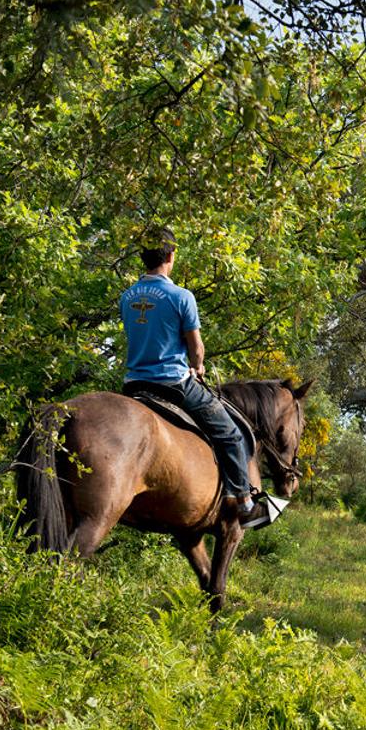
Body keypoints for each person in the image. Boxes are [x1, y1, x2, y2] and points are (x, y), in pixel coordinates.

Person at [119, 226, 267, 529]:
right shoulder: (180, 296)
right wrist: (197, 367)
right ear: (172, 255)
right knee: (230, 433)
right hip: (172, 382)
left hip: (134, 383)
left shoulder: (127, 297)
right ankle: (243, 501)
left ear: (143, 258)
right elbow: (195, 348)